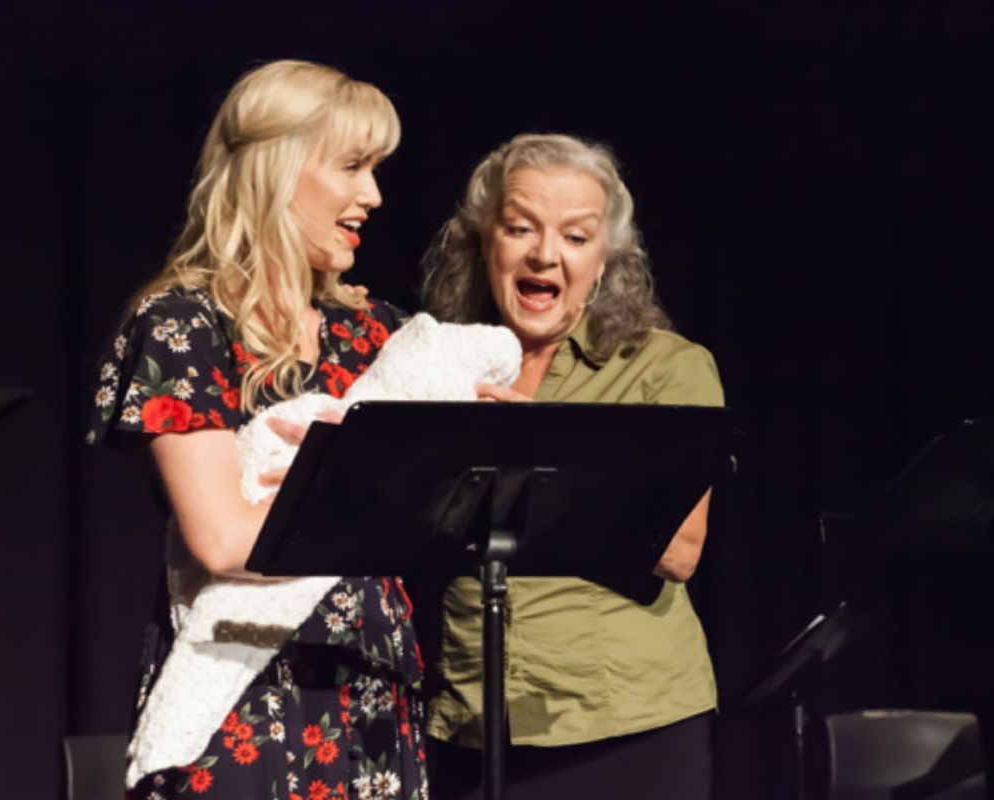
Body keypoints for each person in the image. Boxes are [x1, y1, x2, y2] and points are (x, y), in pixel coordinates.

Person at [86, 60, 428, 800]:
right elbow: (224, 539)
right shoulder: (185, 325)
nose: (373, 195)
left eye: (375, 169)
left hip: (370, 692)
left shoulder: (378, 334)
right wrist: (369, 491)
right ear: (277, 169)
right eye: (352, 166)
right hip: (246, 696)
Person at [419, 133, 723, 799]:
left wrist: (539, 450)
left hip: (625, 724)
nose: (544, 254)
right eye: (519, 228)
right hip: (469, 719)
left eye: (576, 236)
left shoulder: (666, 367)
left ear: (604, 259)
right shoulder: (439, 362)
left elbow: (679, 550)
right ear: (483, 242)